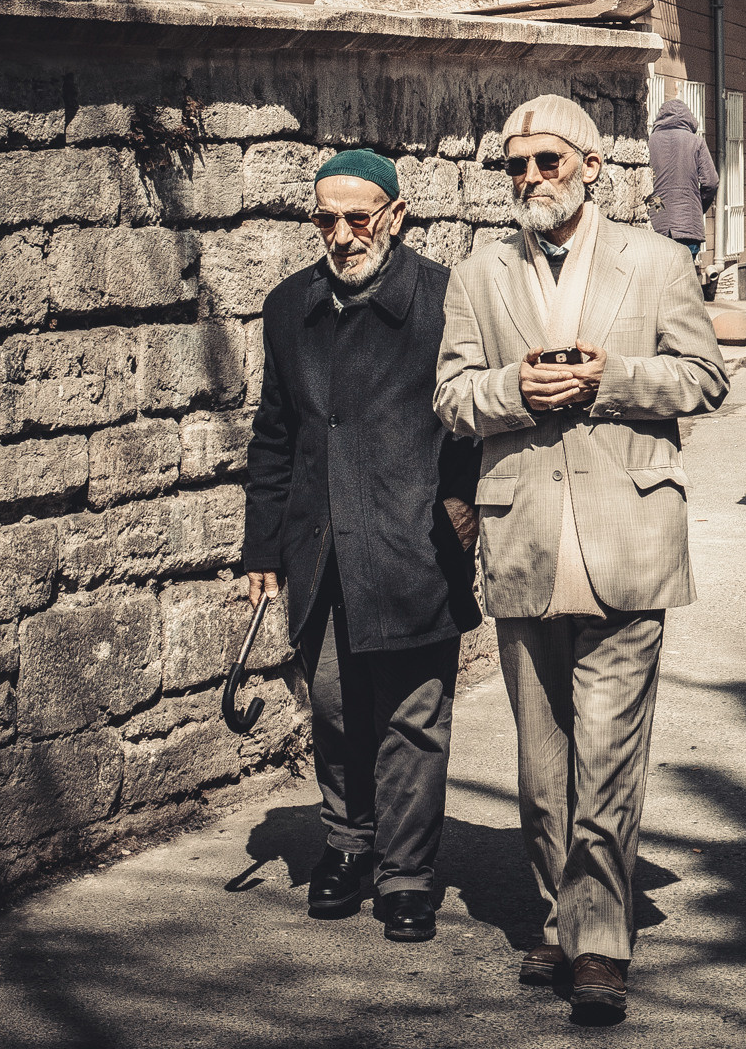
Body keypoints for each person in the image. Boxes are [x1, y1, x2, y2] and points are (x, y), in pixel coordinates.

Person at [434, 94, 728, 1018]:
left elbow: (704, 376)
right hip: (523, 534)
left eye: (548, 163)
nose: (530, 180)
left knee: (607, 750)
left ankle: (599, 941)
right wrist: (514, 390)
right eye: (516, 166)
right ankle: (559, 912)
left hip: (627, 532)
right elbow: (449, 397)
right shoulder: (479, 273)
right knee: (540, 759)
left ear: (592, 167)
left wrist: (615, 379)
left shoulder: (654, 261)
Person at [242, 148, 482, 941]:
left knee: (414, 718)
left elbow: (475, 427)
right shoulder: (288, 308)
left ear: (397, 215)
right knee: (339, 709)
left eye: (358, 217)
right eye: (325, 219)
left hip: (413, 541)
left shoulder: (447, 302)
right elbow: (274, 436)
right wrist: (262, 551)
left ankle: (408, 874)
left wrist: (461, 513)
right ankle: (347, 843)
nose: (342, 235)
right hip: (320, 548)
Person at [647, 98, 718, 261]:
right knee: (685, 281)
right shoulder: (696, 141)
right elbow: (711, 182)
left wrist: (655, 208)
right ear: (689, 119)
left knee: (660, 279)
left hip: (657, 224)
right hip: (688, 227)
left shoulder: (649, 142)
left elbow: (643, 187)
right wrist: (698, 207)